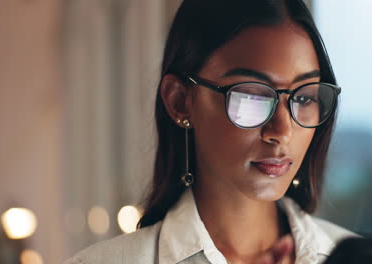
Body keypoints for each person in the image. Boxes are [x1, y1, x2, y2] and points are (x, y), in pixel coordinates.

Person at [65, 0, 356, 263]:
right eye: (252, 95)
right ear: (180, 101)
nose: (282, 131)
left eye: (304, 97)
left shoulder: (353, 256)